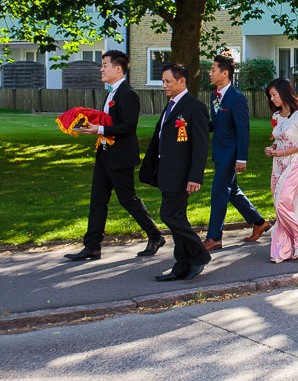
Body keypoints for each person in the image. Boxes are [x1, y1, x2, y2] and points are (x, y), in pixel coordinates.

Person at [65, 50, 164, 261]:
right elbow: (109, 121)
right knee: (97, 200)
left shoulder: (128, 94)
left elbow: (128, 126)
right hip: (104, 154)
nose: (101, 69)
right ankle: (92, 246)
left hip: (121, 157)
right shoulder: (110, 92)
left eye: (104, 65)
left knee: (127, 199)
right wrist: (92, 125)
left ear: (118, 69)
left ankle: (155, 235)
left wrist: (99, 130)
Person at [139, 64, 211, 282]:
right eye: (162, 81)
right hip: (167, 172)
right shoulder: (171, 105)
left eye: (168, 81)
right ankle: (181, 265)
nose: (164, 85)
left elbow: (200, 146)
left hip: (182, 174)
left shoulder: (194, 107)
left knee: (169, 215)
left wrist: (195, 177)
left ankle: (199, 255)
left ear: (182, 81)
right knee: (177, 217)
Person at [203, 54, 270, 251]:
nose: (210, 73)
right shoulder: (214, 95)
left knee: (218, 193)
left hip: (231, 154)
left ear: (225, 73)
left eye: (213, 69)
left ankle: (214, 237)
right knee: (232, 192)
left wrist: (242, 158)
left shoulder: (237, 98)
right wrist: (195, 125)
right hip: (219, 151)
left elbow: (243, 129)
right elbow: (216, 124)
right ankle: (258, 222)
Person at [263, 78, 298, 263]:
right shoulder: (278, 116)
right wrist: (272, 148)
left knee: (283, 202)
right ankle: (282, 249)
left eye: (274, 94)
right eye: (270, 95)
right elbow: (279, 138)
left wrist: (283, 151)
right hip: (278, 164)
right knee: (280, 205)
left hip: (295, 163)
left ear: (284, 93)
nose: (272, 98)